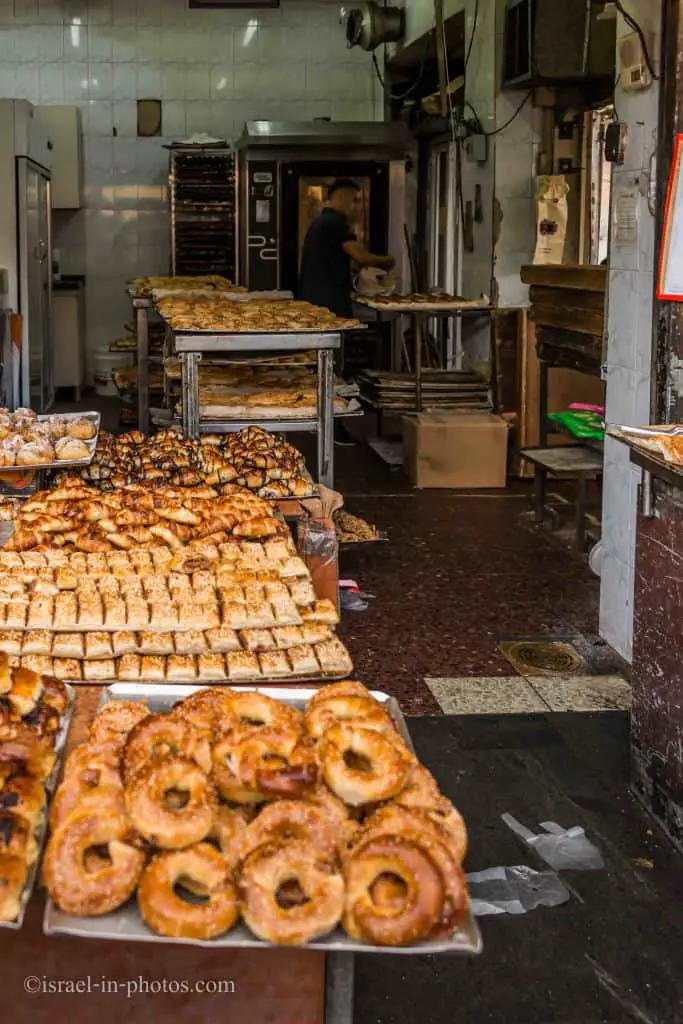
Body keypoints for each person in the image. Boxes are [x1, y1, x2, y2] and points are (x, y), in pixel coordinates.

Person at [299, 178, 395, 445]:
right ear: (341, 198)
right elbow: (361, 256)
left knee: (321, 365)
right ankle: (332, 426)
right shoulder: (334, 223)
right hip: (329, 308)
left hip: (316, 304)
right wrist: (387, 261)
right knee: (332, 368)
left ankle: (317, 421)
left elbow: (340, 261)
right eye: (354, 200)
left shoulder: (320, 224)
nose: (355, 207)